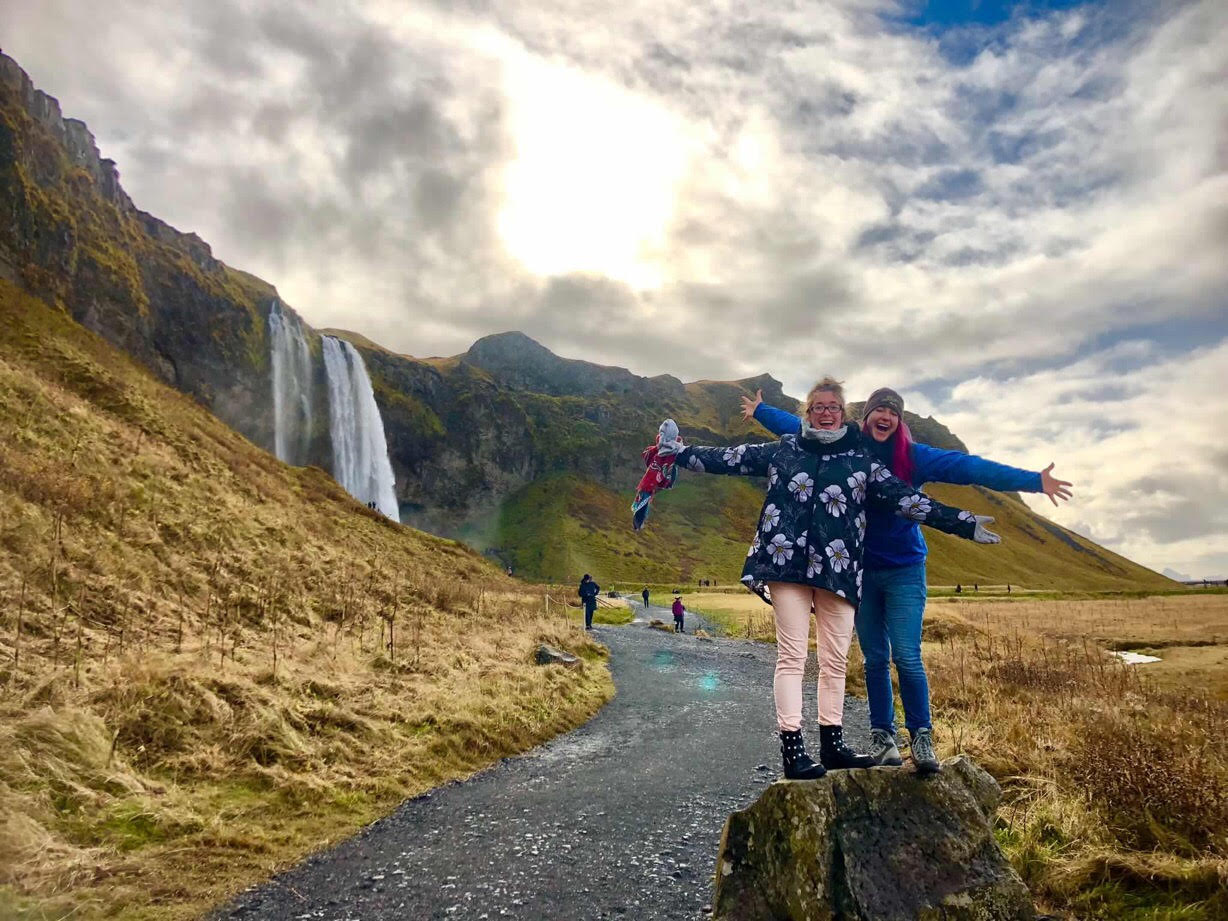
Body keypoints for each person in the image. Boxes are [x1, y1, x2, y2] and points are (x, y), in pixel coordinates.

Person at [654, 377, 999, 780]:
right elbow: (729, 458)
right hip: (786, 566)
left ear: (844, 413)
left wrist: (964, 523)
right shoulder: (785, 449)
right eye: (818, 405)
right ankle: (793, 749)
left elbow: (909, 500)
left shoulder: (861, 461)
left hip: (838, 570)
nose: (826, 412)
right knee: (792, 656)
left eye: (833, 406)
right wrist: (677, 454)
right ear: (808, 411)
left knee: (834, 661)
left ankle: (833, 746)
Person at [743, 385, 1071, 774]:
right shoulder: (849, 446)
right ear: (863, 419)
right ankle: (883, 738)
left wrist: (1034, 480)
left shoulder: (913, 458)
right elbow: (801, 424)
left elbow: (969, 468)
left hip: (903, 567)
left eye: (893, 413)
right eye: (878, 411)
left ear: (899, 422)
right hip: (857, 569)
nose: (885, 417)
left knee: (908, 656)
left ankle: (922, 735)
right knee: (874, 659)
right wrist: (762, 410)